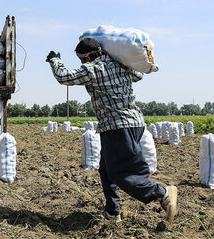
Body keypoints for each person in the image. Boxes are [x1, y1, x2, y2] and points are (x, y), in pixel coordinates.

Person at [46, 38, 177, 223]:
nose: (81, 63)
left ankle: (162, 193)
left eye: (81, 59)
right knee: (106, 171)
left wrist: (55, 60)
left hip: (117, 126)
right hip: (134, 123)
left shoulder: (93, 69)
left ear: (87, 57)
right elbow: (138, 75)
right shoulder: (120, 64)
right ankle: (112, 212)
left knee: (122, 173)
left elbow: (64, 77)